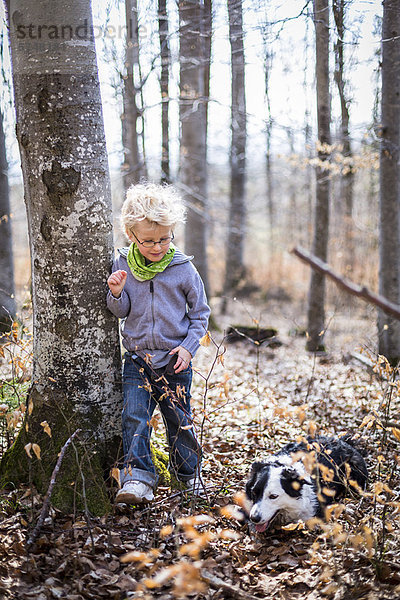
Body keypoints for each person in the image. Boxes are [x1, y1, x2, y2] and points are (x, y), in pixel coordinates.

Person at [107, 182, 210, 504]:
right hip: (137, 359)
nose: (157, 246)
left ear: (173, 233)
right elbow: (120, 312)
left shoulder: (183, 268)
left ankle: (189, 476)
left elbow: (201, 314)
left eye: (164, 239)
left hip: (175, 359)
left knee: (180, 421)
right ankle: (139, 479)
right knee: (134, 417)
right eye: (148, 241)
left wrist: (188, 347)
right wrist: (116, 292)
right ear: (131, 236)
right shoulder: (123, 265)